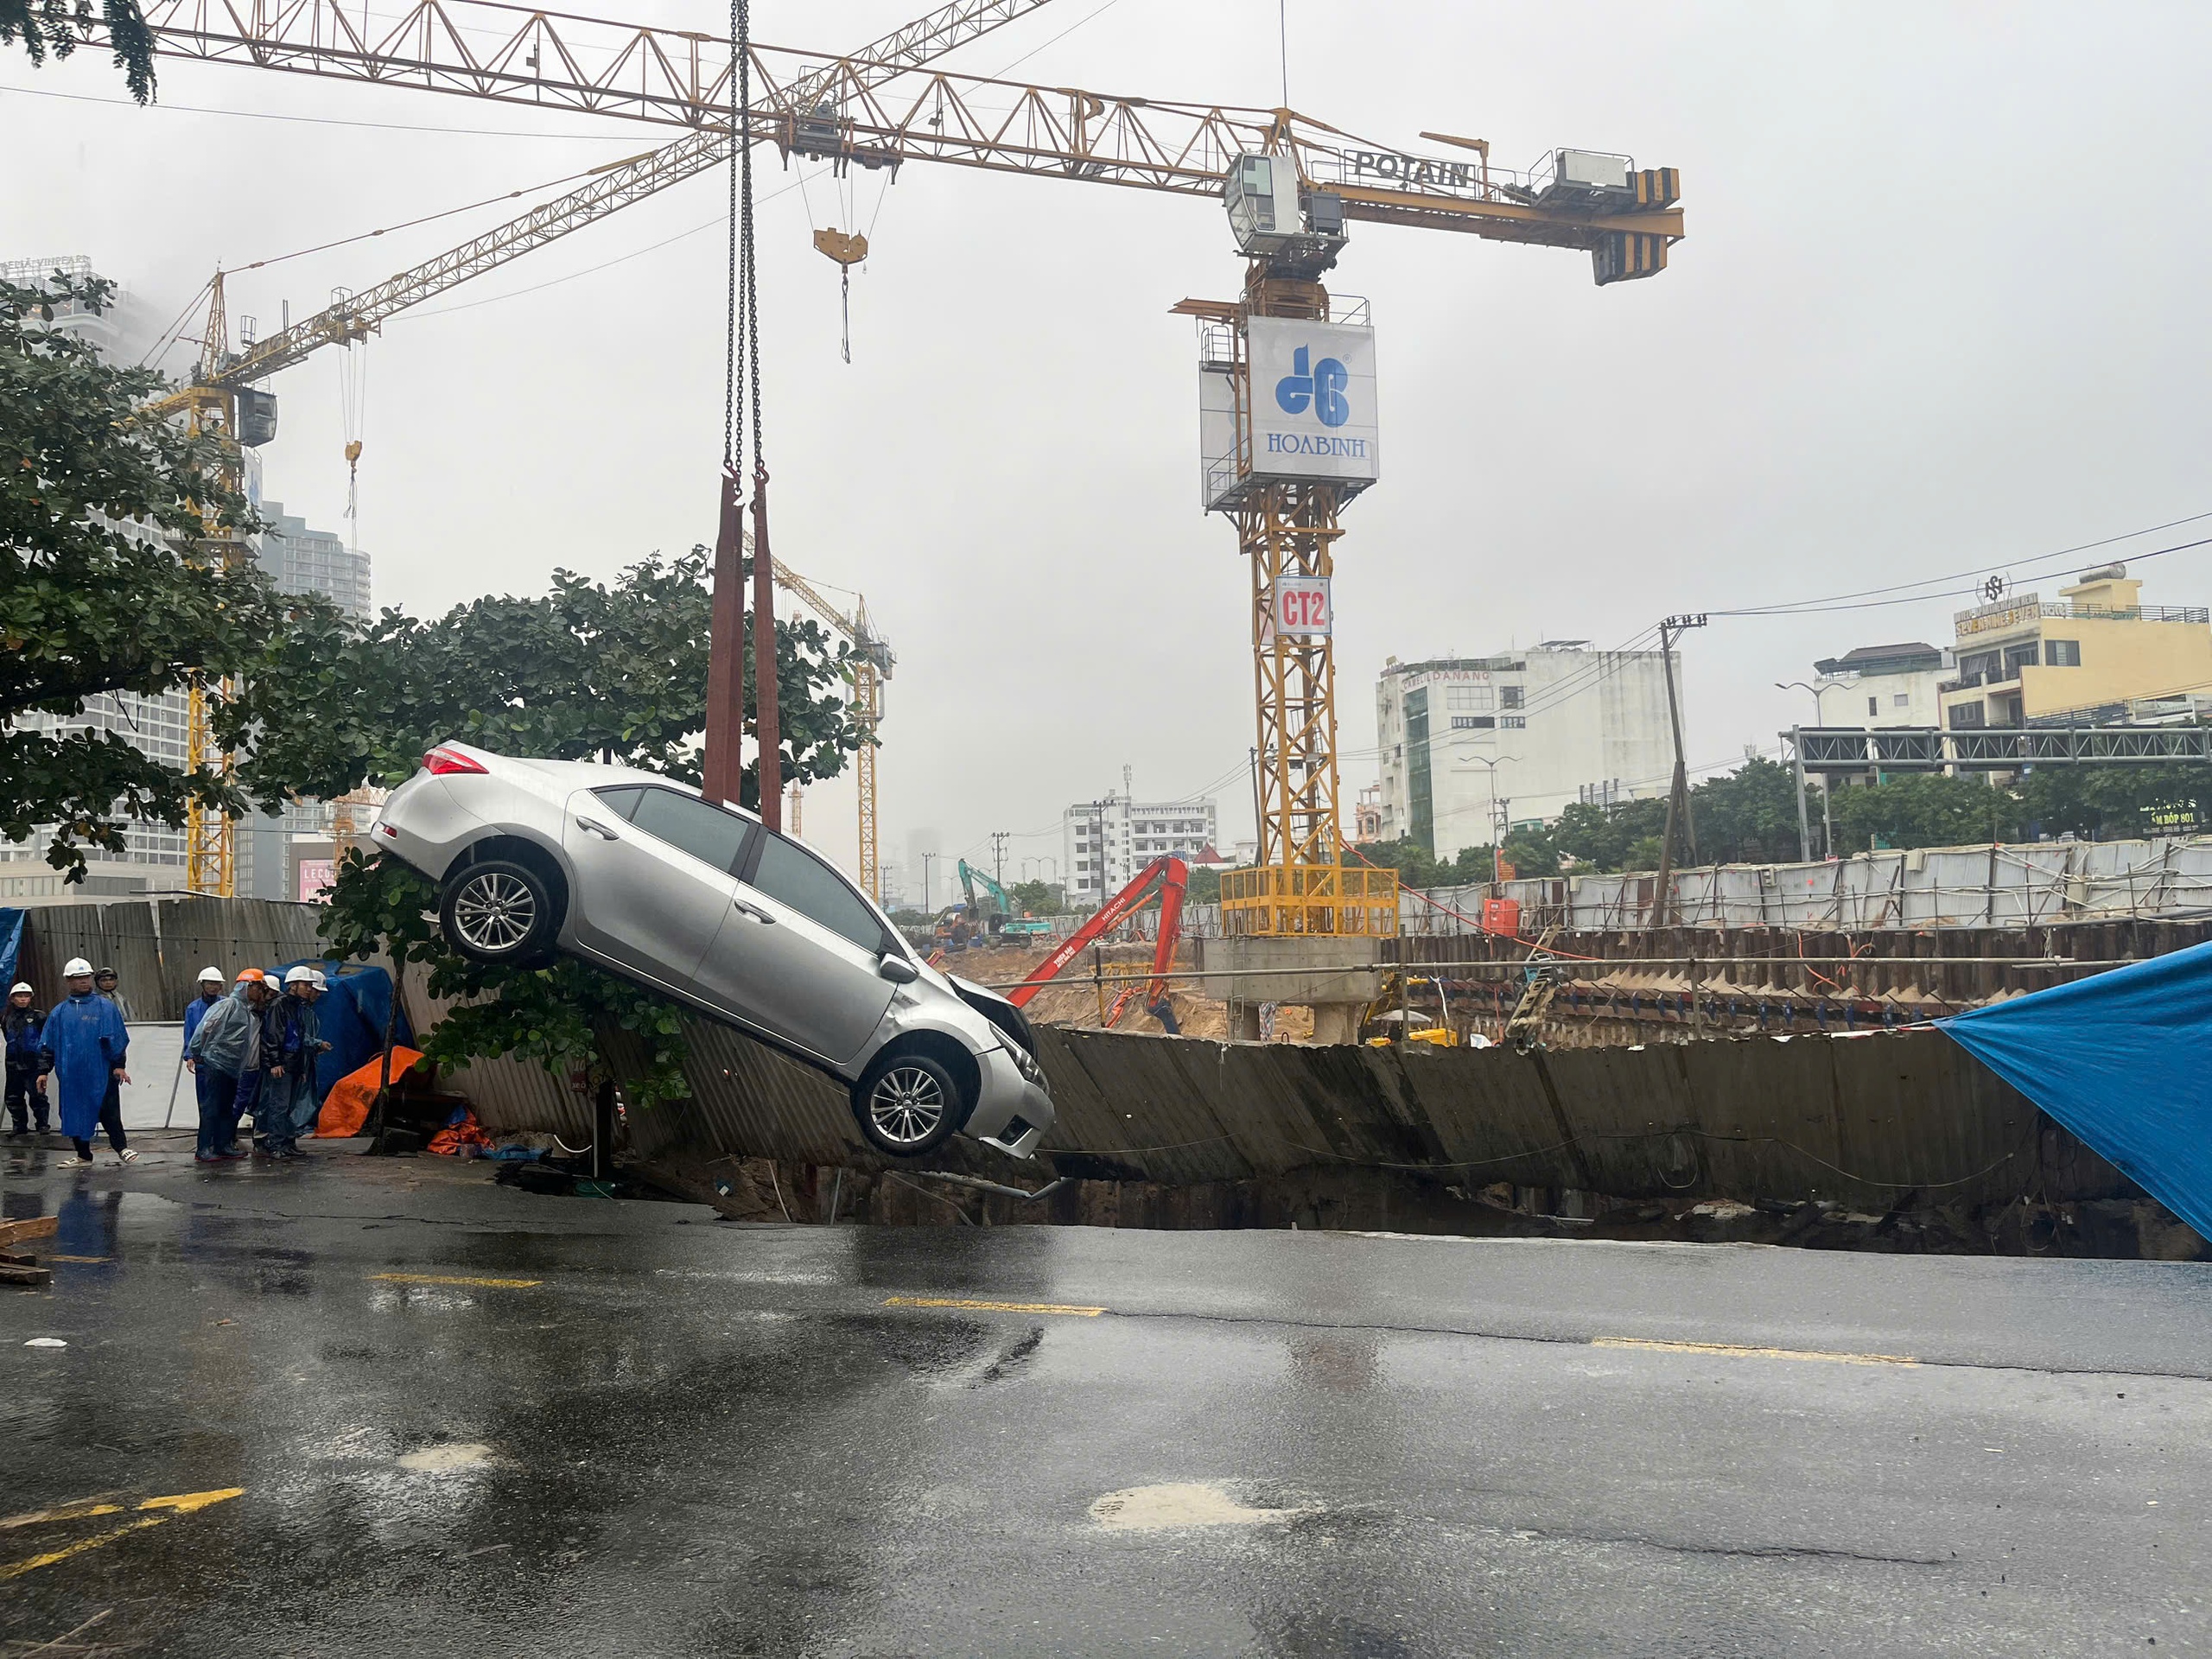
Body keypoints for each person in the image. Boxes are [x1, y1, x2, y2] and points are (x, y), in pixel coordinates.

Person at [42, 958, 135, 1168]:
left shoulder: (105, 1007)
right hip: (71, 1075)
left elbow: (117, 1038)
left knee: (109, 1111)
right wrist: (43, 1071)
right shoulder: (59, 1012)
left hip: (101, 1072)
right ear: (68, 980)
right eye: (78, 978)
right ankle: (83, 1155)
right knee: (75, 1113)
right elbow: (49, 1044)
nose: (84, 981)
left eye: (86, 977)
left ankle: (121, 1148)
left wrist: (119, 1065)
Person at [186, 970, 265, 1162]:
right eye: (259, 988)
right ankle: (204, 1148)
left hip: (231, 1066)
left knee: (226, 1107)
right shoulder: (228, 1005)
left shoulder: (244, 1008)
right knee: (212, 1107)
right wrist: (196, 1053)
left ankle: (223, 1145)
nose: (261, 993)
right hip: (217, 1064)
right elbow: (205, 1028)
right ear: (249, 987)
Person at [256, 968, 313, 1160]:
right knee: (279, 1105)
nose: (309, 989)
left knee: (290, 1106)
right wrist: (274, 1062)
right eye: (306, 985)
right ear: (293, 985)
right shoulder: (279, 1005)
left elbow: (300, 1037)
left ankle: (288, 1142)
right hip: (283, 1062)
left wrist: (301, 1067)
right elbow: (272, 1034)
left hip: (293, 1062)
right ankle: (276, 1144)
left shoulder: (297, 1006)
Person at [4, 982, 51, 1138]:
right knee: (13, 1097)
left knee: (38, 1095)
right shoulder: (7, 1018)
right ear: (12, 999)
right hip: (13, 1064)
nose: (23, 999)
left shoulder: (39, 1016)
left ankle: (43, 1125)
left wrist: (44, 1065)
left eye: (26, 996)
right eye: (19, 996)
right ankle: (19, 1126)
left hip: (34, 1063)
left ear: (31, 998)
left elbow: (46, 1040)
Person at [181, 967, 225, 1065]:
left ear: (221, 987)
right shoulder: (193, 1008)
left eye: (216, 984)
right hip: (201, 1061)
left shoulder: (227, 1005)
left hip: (222, 1061)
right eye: (210, 984)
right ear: (202, 985)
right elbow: (189, 1034)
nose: (213, 987)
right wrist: (190, 1056)